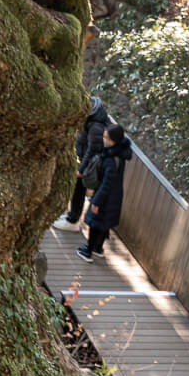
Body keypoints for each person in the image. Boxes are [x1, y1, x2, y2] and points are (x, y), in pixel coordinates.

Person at [76, 123, 131, 263]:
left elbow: (107, 183)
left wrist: (97, 201)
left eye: (106, 137)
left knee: (95, 224)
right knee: (103, 225)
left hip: (105, 197)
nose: (103, 139)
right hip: (114, 197)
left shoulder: (111, 160)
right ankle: (98, 248)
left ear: (114, 140)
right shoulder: (119, 155)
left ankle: (88, 250)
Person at [54, 95, 111, 232]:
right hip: (85, 160)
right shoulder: (92, 117)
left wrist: (81, 168)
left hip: (89, 165)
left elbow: (93, 150)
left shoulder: (96, 125)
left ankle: (73, 221)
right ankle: (71, 217)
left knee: (79, 190)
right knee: (77, 189)